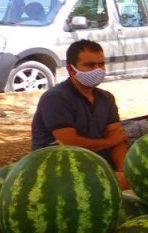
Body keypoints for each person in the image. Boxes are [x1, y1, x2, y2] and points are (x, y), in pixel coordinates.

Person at [31, 40, 129, 189]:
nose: (98, 70)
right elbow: (69, 144)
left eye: (101, 64)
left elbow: (117, 137)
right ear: (71, 70)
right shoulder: (56, 98)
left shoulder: (106, 98)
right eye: (90, 65)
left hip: (95, 168)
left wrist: (124, 172)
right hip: (57, 173)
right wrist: (110, 141)